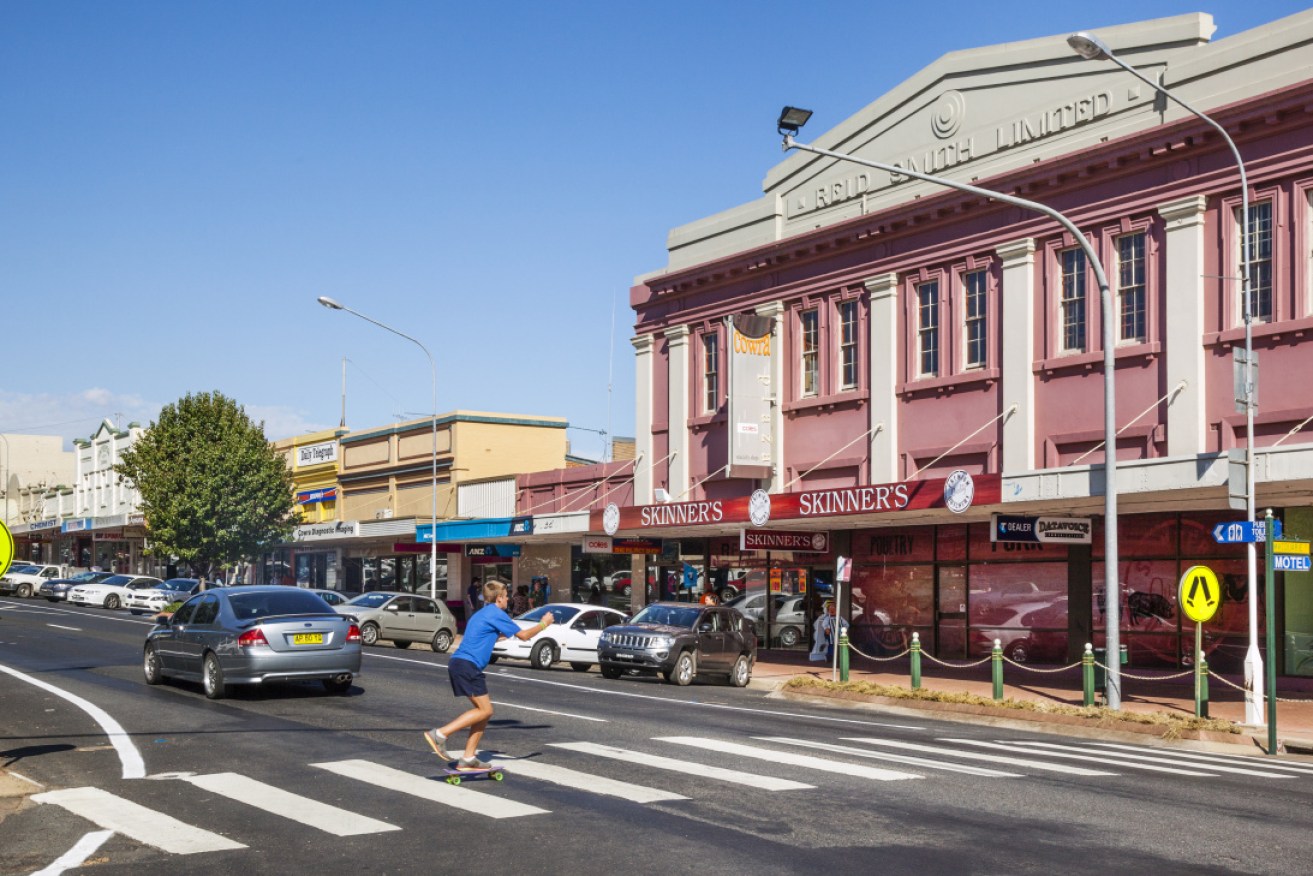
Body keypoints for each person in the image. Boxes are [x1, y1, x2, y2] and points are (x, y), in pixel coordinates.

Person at [424, 580, 554, 770]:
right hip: (468, 665)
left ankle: (468, 758)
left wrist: (506, 634)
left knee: (482, 714)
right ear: (499, 598)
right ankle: (440, 734)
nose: (508, 598)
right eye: (506, 595)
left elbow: (492, 635)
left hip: (461, 664)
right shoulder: (496, 612)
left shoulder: (482, 613)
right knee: (486, 710)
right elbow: (524, 636)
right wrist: (544, 624)